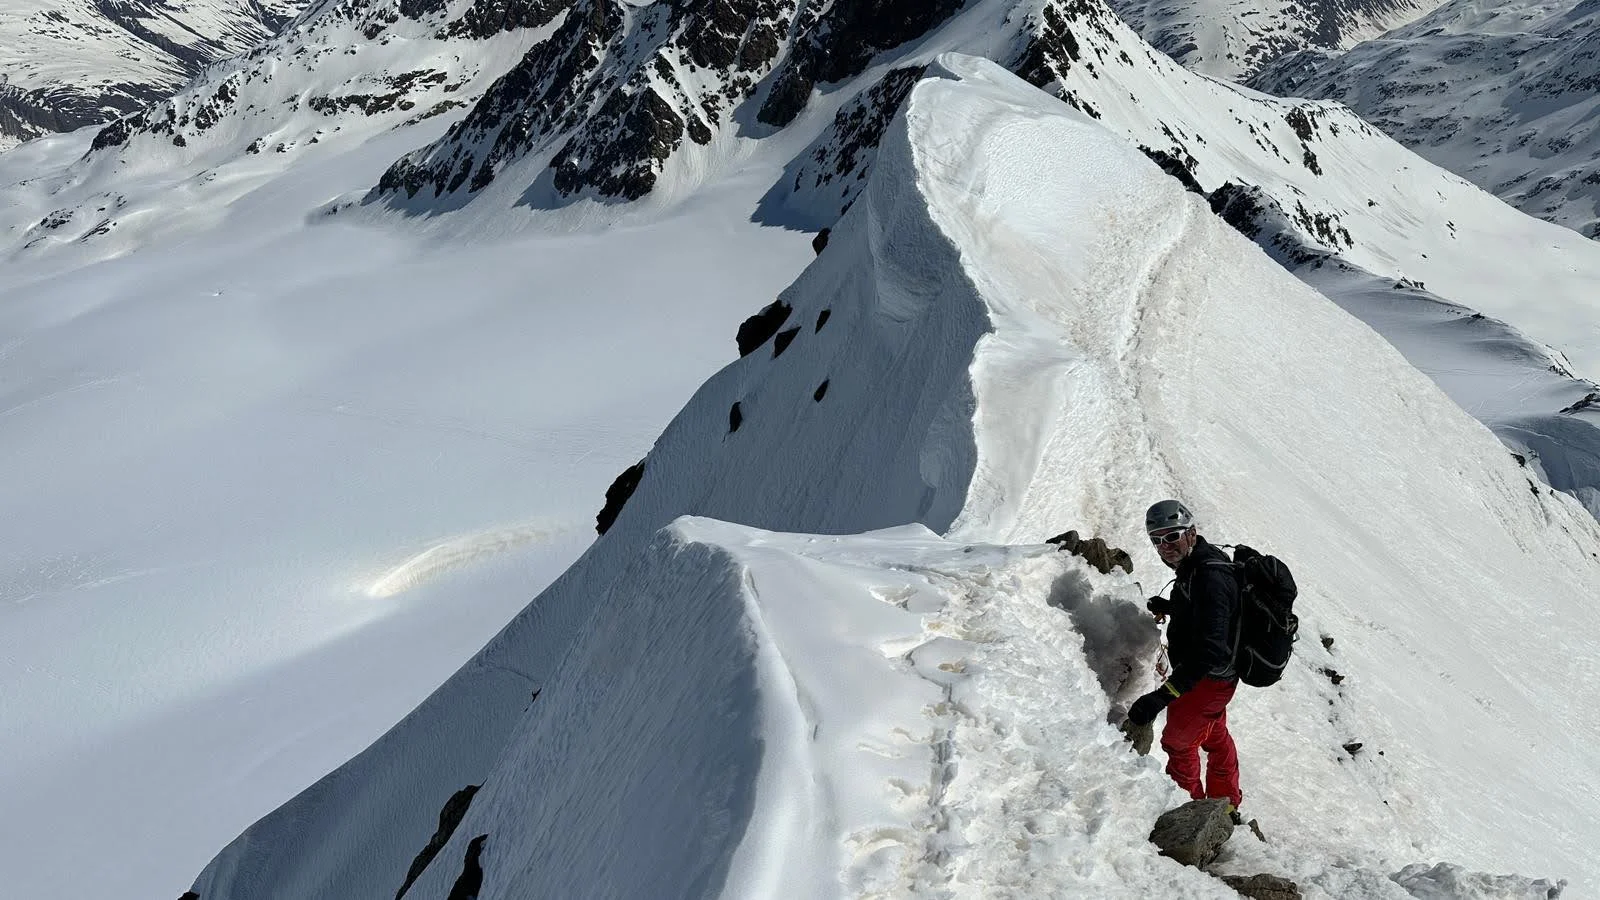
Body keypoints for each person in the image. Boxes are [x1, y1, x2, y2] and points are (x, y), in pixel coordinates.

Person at [1122, 499, 1245, 818]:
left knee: (1179, 743)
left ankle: (1192, 817)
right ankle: (1226, 804)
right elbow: (1212, 617)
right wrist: (1174, 606)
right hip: (1216, 679)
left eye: (1171, 536)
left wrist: (1163, 696)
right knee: (1214, 736)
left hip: (1206, 680)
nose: (1165, 546)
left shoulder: (1208, 577)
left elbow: (1210, 650)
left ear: (1191, 532)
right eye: (1157, 539)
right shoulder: (1200, 565)